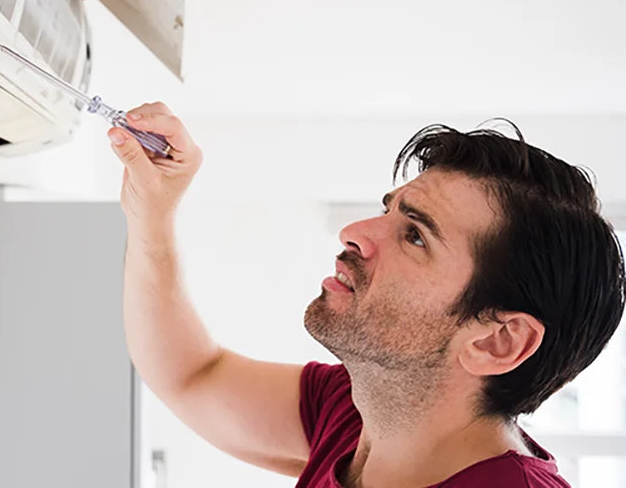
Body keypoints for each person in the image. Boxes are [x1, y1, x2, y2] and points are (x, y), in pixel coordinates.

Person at [107, 102, 625, 488]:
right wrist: (151, 213)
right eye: (390, 209)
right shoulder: (356, 414)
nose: (355, 231)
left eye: (416, 235)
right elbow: (193, 375)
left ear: (497, 342)